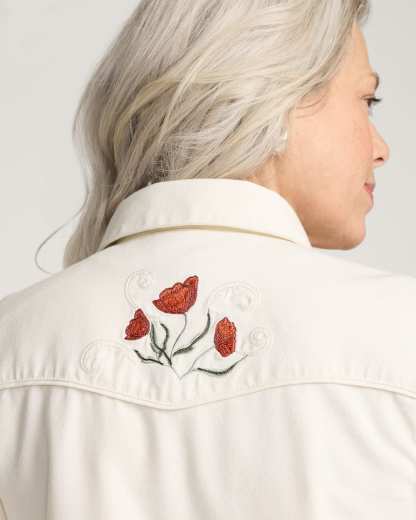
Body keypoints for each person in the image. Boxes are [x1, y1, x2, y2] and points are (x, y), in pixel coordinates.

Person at [1, 1, 415, 519]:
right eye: (367, 100)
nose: (381, 148)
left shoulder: (11, 343)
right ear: (277, 94)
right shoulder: (403, 333)